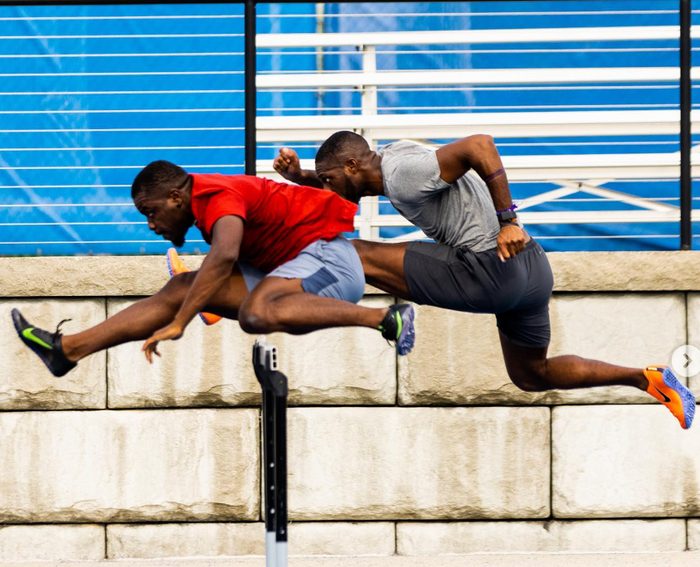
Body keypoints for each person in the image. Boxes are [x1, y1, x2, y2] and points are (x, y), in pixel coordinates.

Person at [271, 131, 695, 430]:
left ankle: (270, 292)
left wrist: (507, 219)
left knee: (355, 253)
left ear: (351, 165)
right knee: (532, 375)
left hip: (489, 268)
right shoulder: (389, 162)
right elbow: (362, 184)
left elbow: (480, 145)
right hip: (531, 269)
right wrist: (303, 178)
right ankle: (646, 378)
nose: (327, 190)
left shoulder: (401, 174)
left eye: (328, 181)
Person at [11, 160, 416, 378]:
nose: (151, 226)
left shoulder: (218, 196)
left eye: (151, 213)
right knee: (181, 288)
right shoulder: (205, 202)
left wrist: (180, 323)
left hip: (331, 262)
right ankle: (67, 351)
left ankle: (385, 318)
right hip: (292, 263)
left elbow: (224, 255)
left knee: (255, 312)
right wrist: (197, 299)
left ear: (175, 197)